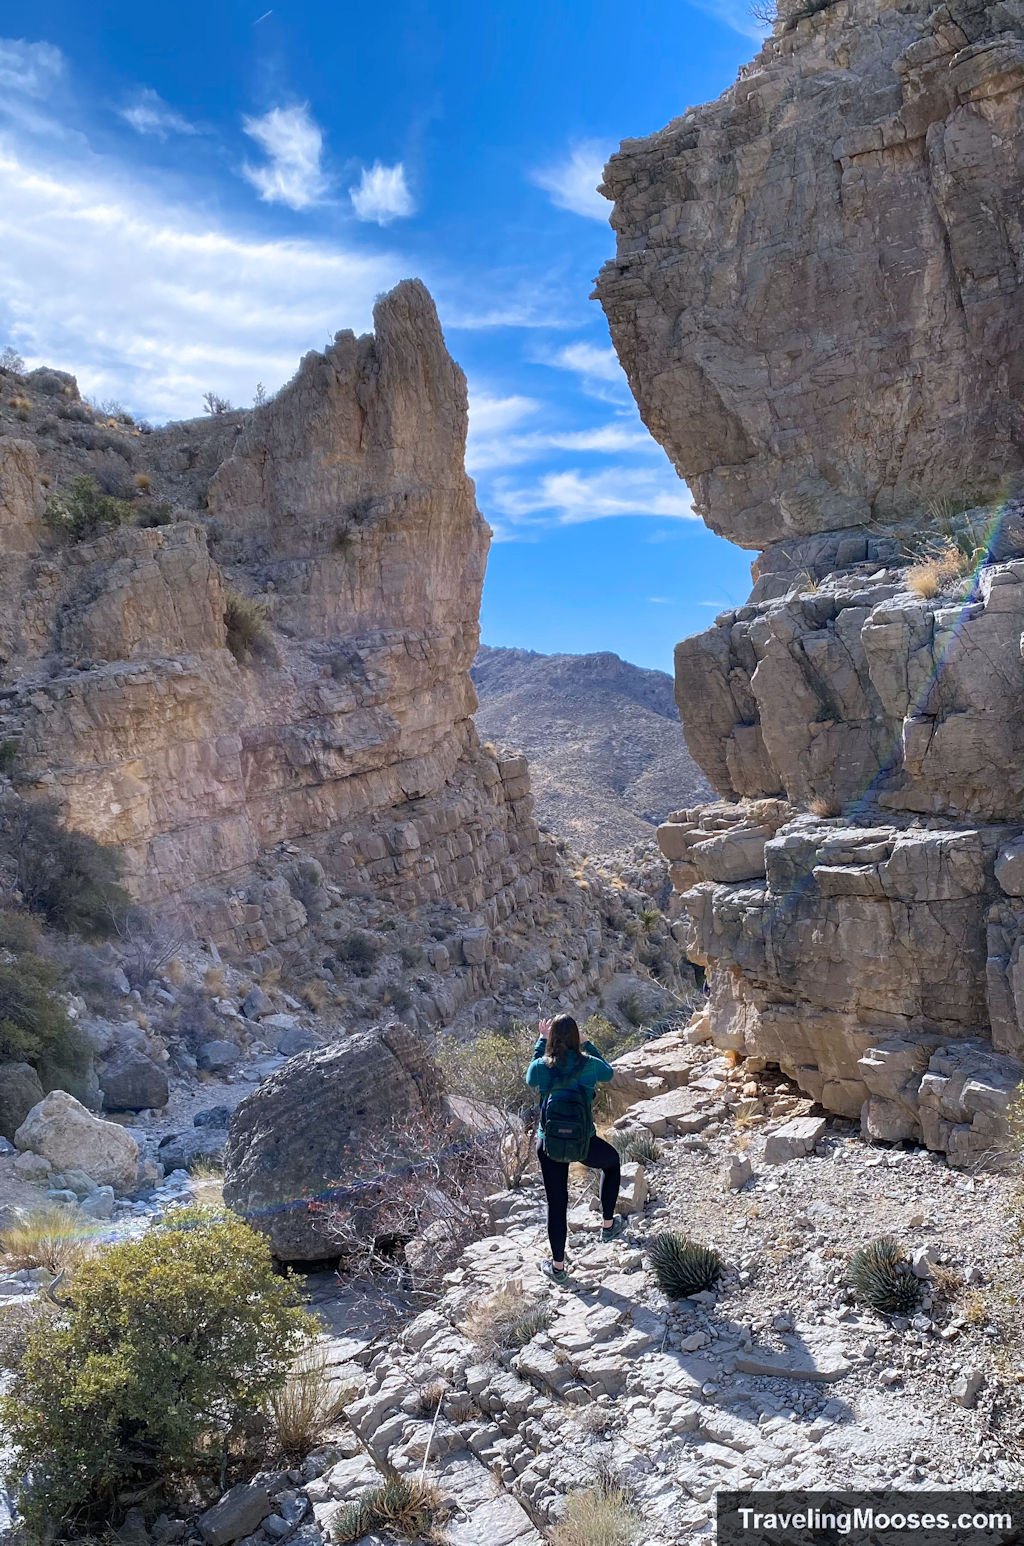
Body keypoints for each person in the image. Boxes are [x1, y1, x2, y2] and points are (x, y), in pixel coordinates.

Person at [526, 1013, 623, 1284]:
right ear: (576, 1037)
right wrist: (588, 1044)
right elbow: (609, 1071)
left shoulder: (543, 1066)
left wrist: (540, 1042)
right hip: (583, 1142)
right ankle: (607, 1226)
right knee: (612, 1163)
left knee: (557, 1203)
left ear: (553, 1039)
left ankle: (558, 1268)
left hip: (550, 1145)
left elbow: (530, 1077)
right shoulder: (589, 1064)